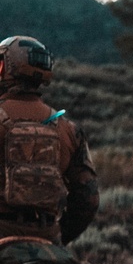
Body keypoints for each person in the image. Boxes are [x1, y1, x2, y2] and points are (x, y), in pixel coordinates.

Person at [0, 36, 99, 245]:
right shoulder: (69, 129)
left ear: (6, 70)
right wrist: (60, 237)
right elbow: (88, 200)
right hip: (48, 238)